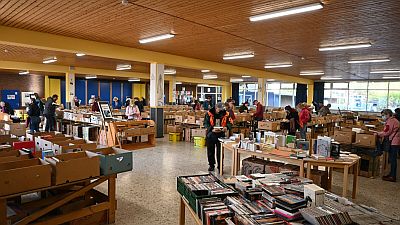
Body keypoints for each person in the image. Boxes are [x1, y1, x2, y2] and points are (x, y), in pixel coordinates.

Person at [204, 103, 233, 172]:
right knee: (210, 151)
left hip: (221, 134)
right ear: (216, 108)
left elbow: (230, 122)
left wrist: (227, 127)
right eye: (219, 110)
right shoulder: (209, 113)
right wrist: (211, 129)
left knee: (220, 151)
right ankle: (211, 165)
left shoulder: (226, 114)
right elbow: (205, 123)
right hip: (211, 134)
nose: (220, 111)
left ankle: (220, 166)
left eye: (221, 110)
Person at [376, 109, 399, 182]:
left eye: (383, 115)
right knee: (392, 159)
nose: (382, 117)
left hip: (394, 142)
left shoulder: (390, 121)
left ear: (388, 114)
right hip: (395, 140)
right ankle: (391, 174)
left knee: (393, 159)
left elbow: (387, 132)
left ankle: (392, 176)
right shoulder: (393, 120)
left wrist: (378, 134)